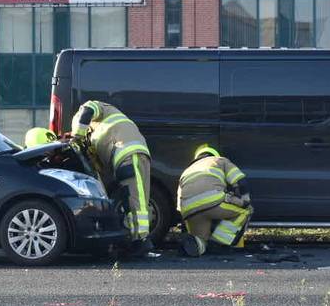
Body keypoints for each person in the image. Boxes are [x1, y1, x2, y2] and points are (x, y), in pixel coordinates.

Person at [71, 100, 156, 257]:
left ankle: (141, 242)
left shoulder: (95, 107)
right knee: (135, 199)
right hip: (132, 154)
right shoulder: (96, 131)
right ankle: (139, 239)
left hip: (128, 152)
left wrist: (76, 136)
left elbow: (88, 110)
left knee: (134, 200)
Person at [176, 145, 252, 257]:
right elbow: (240, 181)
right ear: (214, 154)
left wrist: (186, 223)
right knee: (245, 211)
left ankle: (195, 244)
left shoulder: (186, 172)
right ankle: (218, 243)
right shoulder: (220, 161)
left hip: (190, 210)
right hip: (213, 202)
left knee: (201, 241)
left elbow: (179, 204)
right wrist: (244, 200)